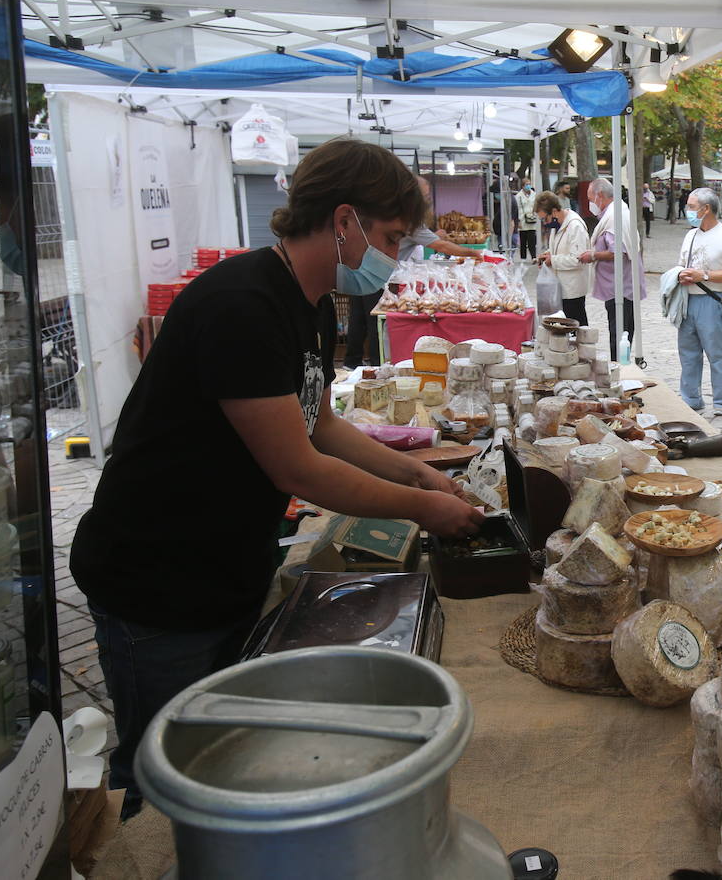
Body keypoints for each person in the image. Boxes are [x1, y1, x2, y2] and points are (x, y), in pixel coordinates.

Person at [70, 139, 486, 819]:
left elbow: (318, 421)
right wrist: (419, 507)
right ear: (343, 219)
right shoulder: (241, 304)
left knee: (219, 748)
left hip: (225, 563)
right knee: (166, 771)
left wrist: (416, 470)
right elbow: (297, 466)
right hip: (157, 577)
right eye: (388, 236)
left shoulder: (311, 301)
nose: (392, 254)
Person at [344, 175, 483, 369]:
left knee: (359, 318)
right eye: (425, 196)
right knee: (374, 321)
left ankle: (352, 364)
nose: (427, 200)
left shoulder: (388, 211)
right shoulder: (408, 219)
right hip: (378, 273)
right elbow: (440, 244)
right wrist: (473, 252)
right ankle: (376, 367)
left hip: (361, 267)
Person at [674, 187, 722, 416]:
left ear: (706, 209)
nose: (688, 210)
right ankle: (690, 398)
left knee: (716, 354)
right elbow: (682, 263)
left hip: (712, 301)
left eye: (692, 207)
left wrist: (702, 276)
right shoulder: (690, 235)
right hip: (688, 299)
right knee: (688, 353)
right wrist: (681, 274)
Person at [580, 178, 647, 348]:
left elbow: (617, 252)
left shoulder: (615, 217)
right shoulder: (617, 212)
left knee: (619, 334)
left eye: (590, 199)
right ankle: (620, 364)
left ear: (600, 195)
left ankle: (618, 368)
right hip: (621, 286)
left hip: (620, 288)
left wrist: (593, 255)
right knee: (622, 332)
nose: (590, 204)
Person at [534, 190, 591, 325]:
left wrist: (552, 260)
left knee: (576, 326)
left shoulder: (575, 226)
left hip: (573, 290)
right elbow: (558, 248)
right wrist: (548, 254)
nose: (544, 223)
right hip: (561, 288)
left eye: (545, 219)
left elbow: (577, 258)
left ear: (554, 211)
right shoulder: (557, 225)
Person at [515, 180, 538, 260]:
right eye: (526, 184)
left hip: (532, 219)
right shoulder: (518, 196)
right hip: (523, 220)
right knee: (523, 241)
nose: (528, 186)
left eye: (529, 184)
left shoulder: (534, 195)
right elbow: (517, 209)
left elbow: (536, 205)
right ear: (522, 186)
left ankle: (533, 257)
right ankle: (523, 258)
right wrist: (518, 221)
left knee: (532, 240)